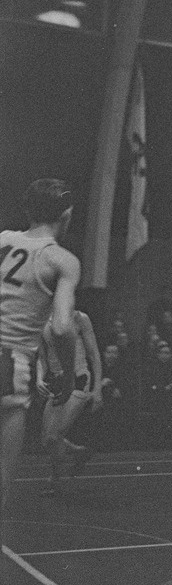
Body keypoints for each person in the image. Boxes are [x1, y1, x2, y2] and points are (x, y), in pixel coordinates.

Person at [0, 179, 79, 543]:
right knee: (6, 453)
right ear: (66, 214)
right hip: (10, 357)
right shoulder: (60, 259)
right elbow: (61, 327)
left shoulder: (3, 238)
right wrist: (67, 372)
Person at [37, 309, 102, 493]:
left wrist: (97, 389)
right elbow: (42, 357)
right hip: (56, 382)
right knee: (46, 439)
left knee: (54, 436)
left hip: (78, 379)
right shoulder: (42, 320)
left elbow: (94, 355)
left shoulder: (79, 318)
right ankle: (79, 452)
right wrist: (39, 379)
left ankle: (55, 479)